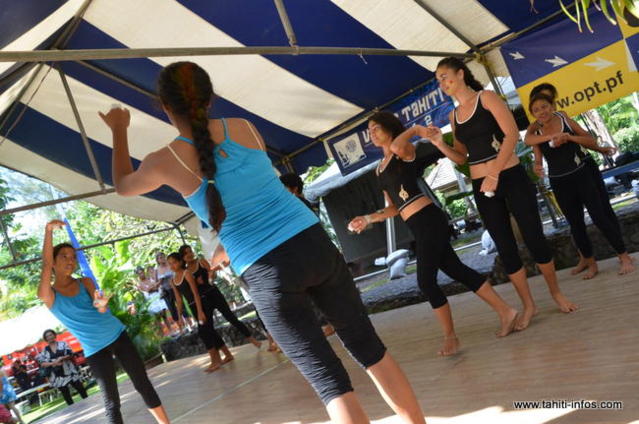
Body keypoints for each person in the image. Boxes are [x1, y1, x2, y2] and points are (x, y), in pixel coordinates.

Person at [100, 61, 426, 423]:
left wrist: (118, 129)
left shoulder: (164, 161)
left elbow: (123, 185)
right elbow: (248, 189)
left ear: (164, 106)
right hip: (313, 243)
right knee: (371, 350)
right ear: (210, 99)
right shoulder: (243, 127)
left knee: (329, 382)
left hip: (266, 271)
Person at [408, 57, 577, 332]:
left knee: (534, 238)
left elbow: (511, 135)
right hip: (482, 186)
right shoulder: (453, 116)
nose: (442, 83)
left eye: (444, 76)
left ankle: (556, 293)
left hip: (510, 176)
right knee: (506, 248)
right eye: (438, 80)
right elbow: (461, 157)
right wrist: (439, 143)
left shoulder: (486, 98)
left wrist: (495, 173)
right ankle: (528, 305)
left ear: (460, 74)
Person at [348, 111, 519, 356]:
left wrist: (417, 129)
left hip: (429, 219)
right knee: (457, 270)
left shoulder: (404, 150)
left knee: (426, 282)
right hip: (417, 224)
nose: (371, 134)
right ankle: (506, 311)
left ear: (389, 128)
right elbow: (394, 207)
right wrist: (367, 218)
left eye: (375, 128)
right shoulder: (379, 170)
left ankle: (451, 337)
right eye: (369, 131)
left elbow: (396, 145)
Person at [37, 220, 170, 424]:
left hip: (117, 335)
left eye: (73, 257)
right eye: (64, 256)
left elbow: (101, 308)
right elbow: (44, 265)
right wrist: (48, 231)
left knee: (142, 384)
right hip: (94, 349)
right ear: (53, 263)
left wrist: (101, 305)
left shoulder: (85, 282)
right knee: (111, 402)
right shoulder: (48, 295)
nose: (70, 260)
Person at [524, 83, 634, 276]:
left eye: (545, 106)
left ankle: (624, 257)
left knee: (599, 216)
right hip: (559, 182)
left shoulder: (563, 118)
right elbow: (534, 152)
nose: (542, 111)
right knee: (575, 224)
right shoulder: (535, 132)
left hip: (581, 174)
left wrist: (569, 137)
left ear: (552, 105)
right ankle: (591, 264)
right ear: (533, 113)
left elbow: (589, 140)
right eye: (537, 109)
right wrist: (537, 166)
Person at [277, 174, 336, 337]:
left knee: (316, 291)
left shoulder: (297, 203)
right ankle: (329, 322)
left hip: (309, 253)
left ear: (294, 189)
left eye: (284, 188)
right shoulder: (306, 203)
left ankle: (329, 323)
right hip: (314, 251)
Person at [178, 245, 262, 348]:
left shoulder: (201, 261)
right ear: (183, 257)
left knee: (230, 317)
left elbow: (213, 275)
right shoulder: (185, 271)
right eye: (186, 253)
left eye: (190, 251)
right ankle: (223, 351)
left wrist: (208, 277)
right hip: (203, 300)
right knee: (208, 326)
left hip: (213, 293)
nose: (190, 254)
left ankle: (253, 340)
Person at [166, 253, 233, 372]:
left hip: (202, 303)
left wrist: (200, 311)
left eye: (174, 262)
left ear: (180, 262)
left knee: (204, 332)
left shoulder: (187, 273)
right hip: (193, 307)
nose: (172, 265)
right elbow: (179, 299)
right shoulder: (172, 280)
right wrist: (179, 316)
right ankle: (227, 354)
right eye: (170, 264)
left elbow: (196, 293)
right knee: (209, 331)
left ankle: (215, 361)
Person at [38, 329, 88, 406]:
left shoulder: (63, 344)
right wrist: (53, 363)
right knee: (66, 394)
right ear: (45, 338)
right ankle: (73, 409)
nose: (49, 337)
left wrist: (61, 358)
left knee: (80, 388)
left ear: (54, 335)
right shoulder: (45, 350)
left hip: (70, 371)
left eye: (51, 335)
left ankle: (88, 402)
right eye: (47, 336)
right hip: (57, 375)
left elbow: (70, 354)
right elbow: (42, 363)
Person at [135, 266, 172, 335]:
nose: (141, 274)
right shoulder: (139, 284)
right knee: (157, 318)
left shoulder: (150, 278)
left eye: (142, 272)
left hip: (158, 297)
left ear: (144, 271)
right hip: (151, 301)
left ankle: (171, 331)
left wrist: (153, 287)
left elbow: (156, 286)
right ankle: (163, 334)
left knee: (164, 315)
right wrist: (154, 286)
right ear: (137, 275)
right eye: (139, 273)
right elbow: (147, 290)